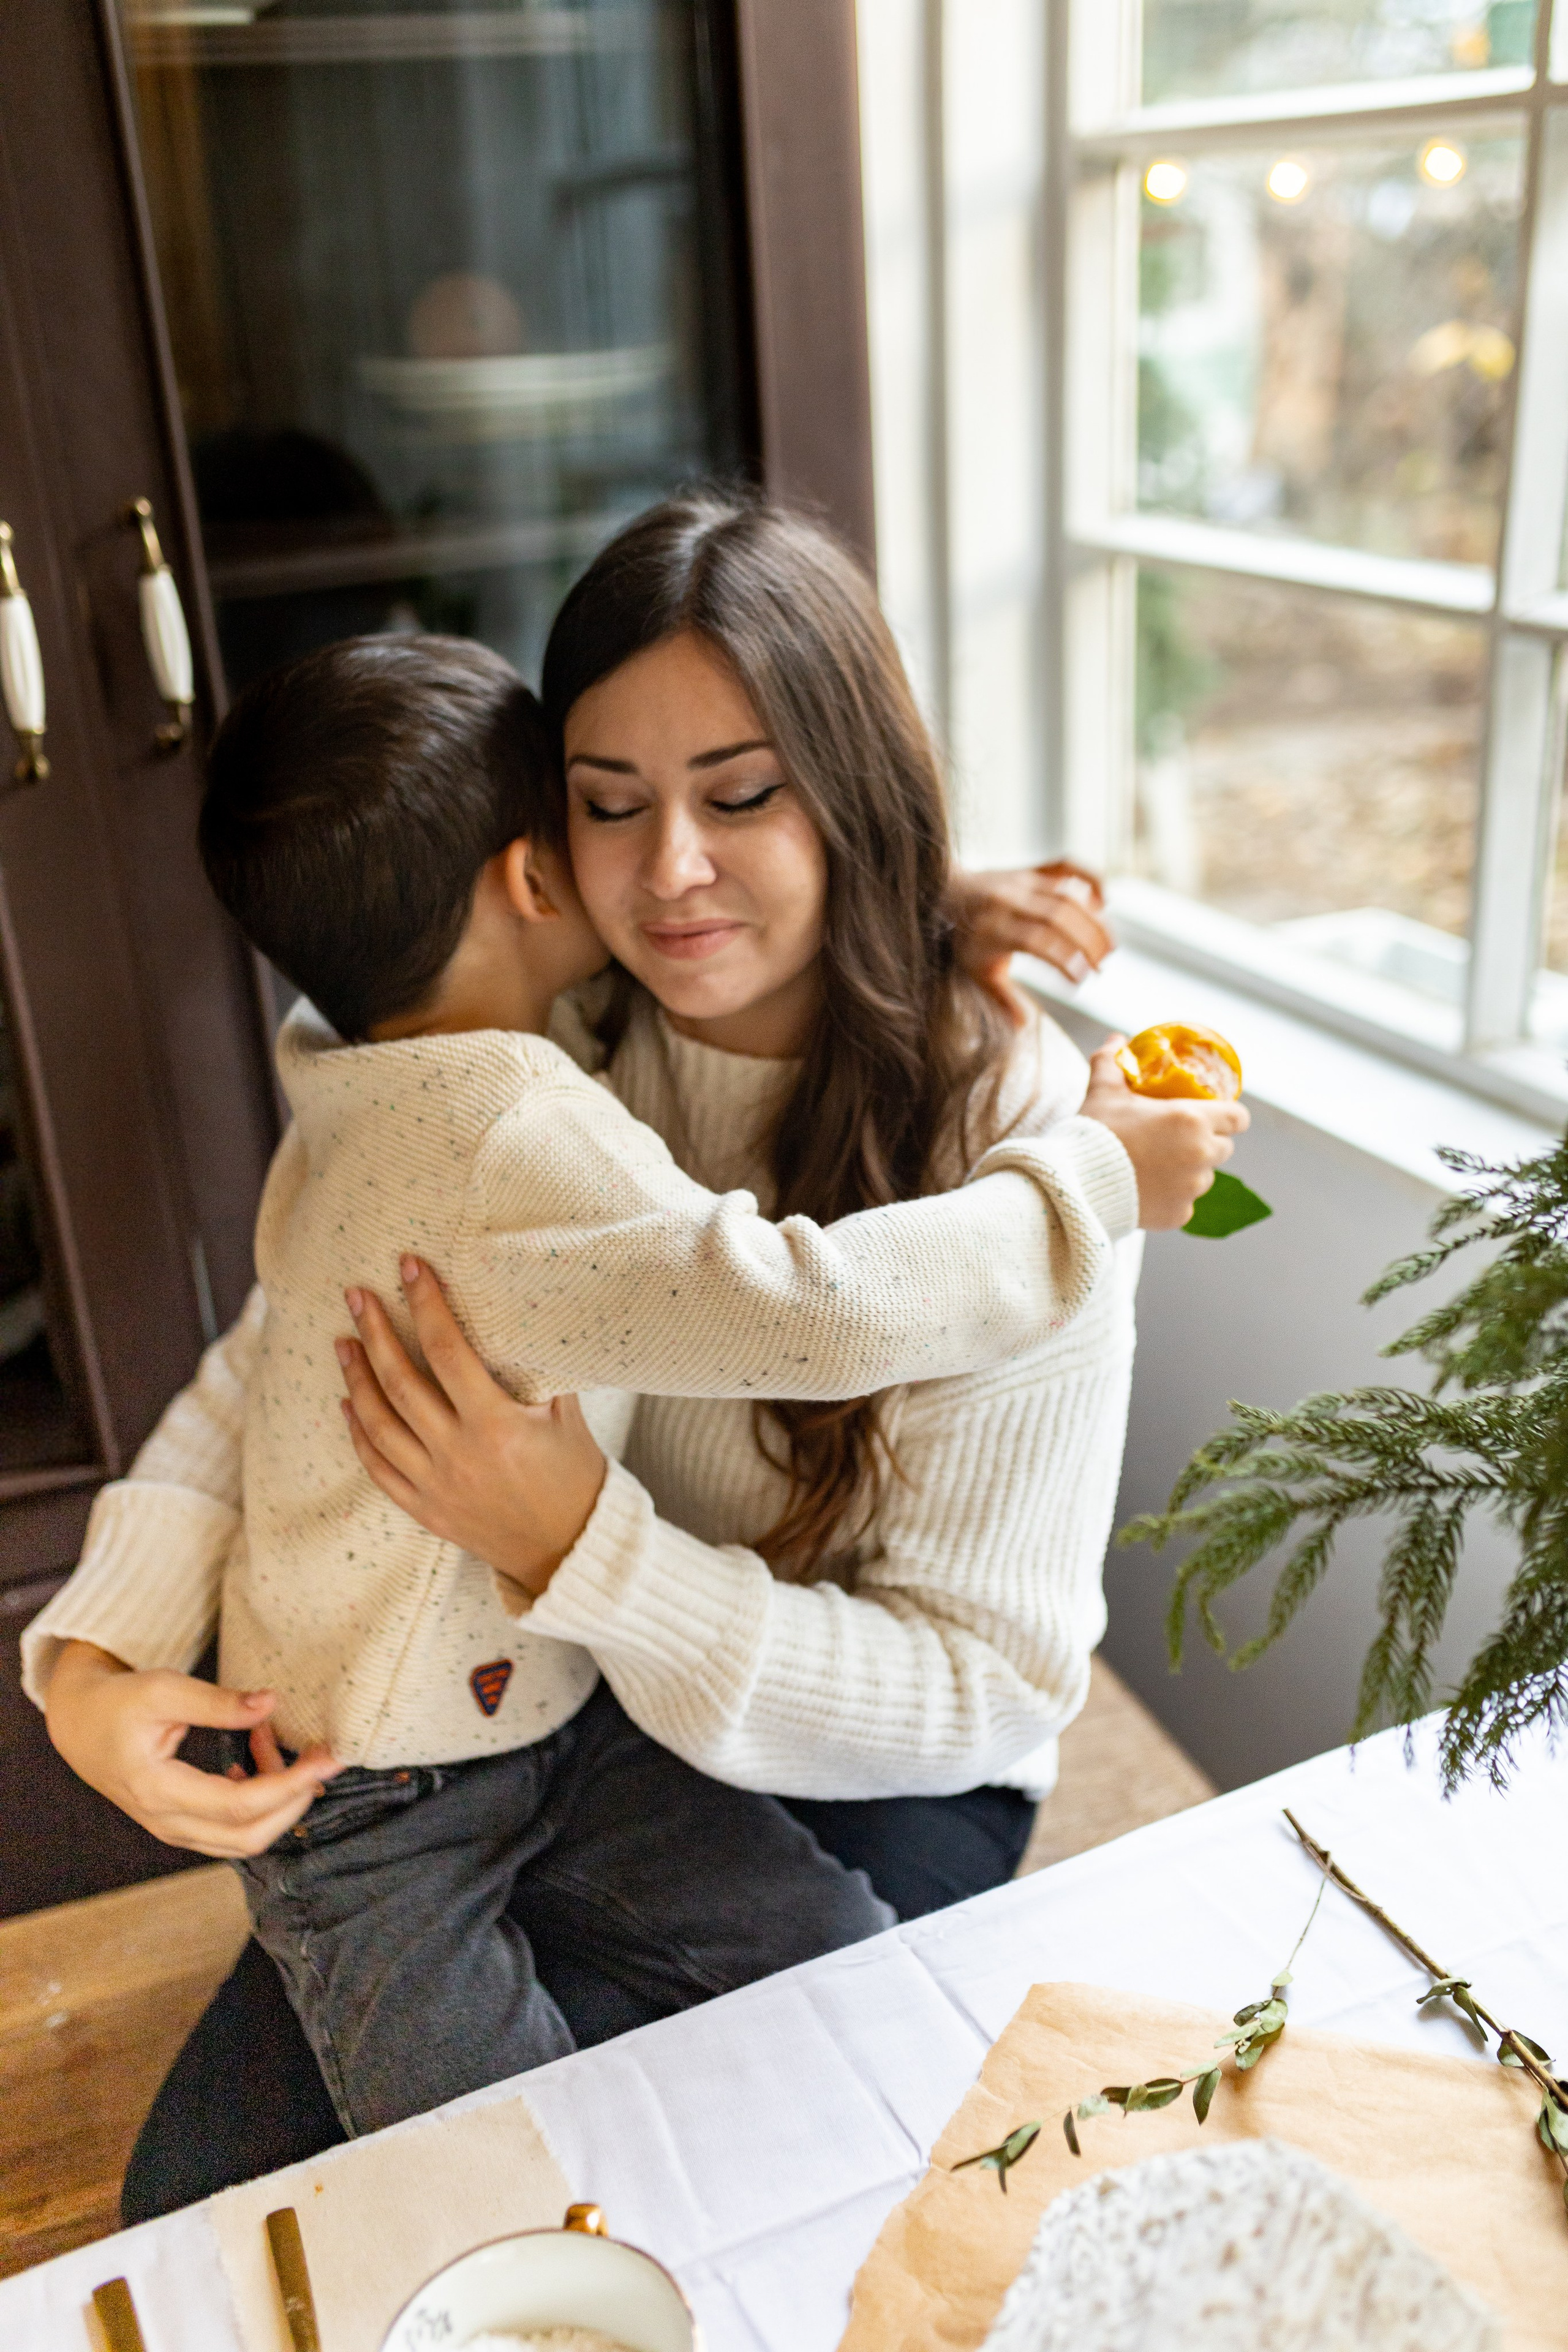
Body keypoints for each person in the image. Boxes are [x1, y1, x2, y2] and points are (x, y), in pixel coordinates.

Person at [32, 496, 1245, 2211]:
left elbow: (986, 1690)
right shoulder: (532, 1040)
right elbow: (281, 1353)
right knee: (209, 2204)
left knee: (602, 2175)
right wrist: (91, 1666)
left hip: (856, 1759)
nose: (672, 872)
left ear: (854, 792)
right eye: (610, 807)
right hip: (509, 1724)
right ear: (536, 857)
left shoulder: (1024, 1155)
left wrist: (572, 1545)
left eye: (746, 796)